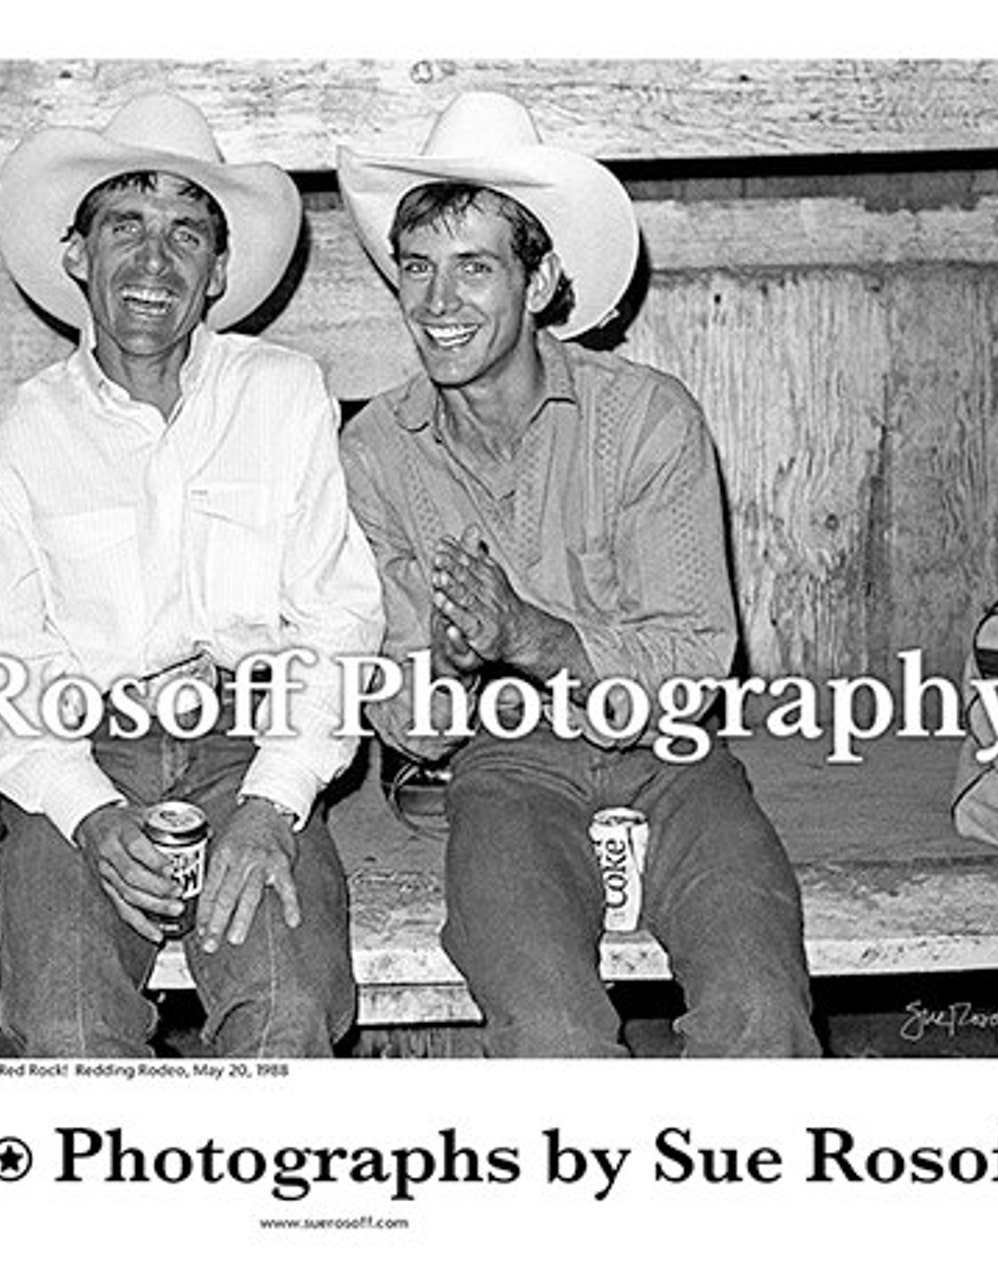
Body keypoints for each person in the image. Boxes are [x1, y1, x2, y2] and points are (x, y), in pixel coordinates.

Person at [335, 91, 821, 1057]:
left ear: (542, 279)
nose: (436, 304)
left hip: (673, 756)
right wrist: (451, 667)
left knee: (760, 1007)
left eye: (474, 268)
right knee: (548, 1027)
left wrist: (529, 637)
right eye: (417, 269)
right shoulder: (377, 451)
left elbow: (692, 667)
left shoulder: (644, 418)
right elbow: (413, 726)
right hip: (505, 765)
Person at [0, 92, 384, 1058]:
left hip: (252, 743)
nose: (154, 261)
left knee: (287, 1010)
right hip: (87, 754)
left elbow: (337, 621)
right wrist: (90, 816)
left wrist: (274, 800)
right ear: (76, 254)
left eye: (187, 234)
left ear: (219, 271)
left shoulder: (284, 395)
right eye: (125, 227)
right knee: (67, 1028)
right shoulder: (8, 446)